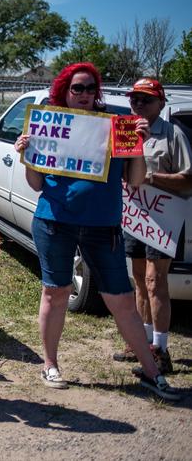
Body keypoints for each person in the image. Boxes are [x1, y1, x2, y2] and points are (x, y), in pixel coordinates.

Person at [14, 62, 179, 401]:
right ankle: (50, 364)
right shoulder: (51, 125)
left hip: (103, 227)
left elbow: (134, 180)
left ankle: (152, 372)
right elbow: (36, 184)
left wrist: (138, 147)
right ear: (65, 91)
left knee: (121, 299)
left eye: (91, 88)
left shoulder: (115, 126)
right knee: (56, 293)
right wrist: (26, 155)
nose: (85, 94)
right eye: (78, 88)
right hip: (54, 222)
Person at [113, 78, 192, 373]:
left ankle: (160, 350)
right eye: (135, 99)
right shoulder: (125, 132)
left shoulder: (172, 134)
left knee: (154, 281)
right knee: (138, 280)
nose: (139, 104)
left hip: (163, 219)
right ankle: (141, 343)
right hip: (135, 216)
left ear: (161, 103)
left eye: (146, 99)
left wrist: (149, 178)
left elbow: (188, 179)